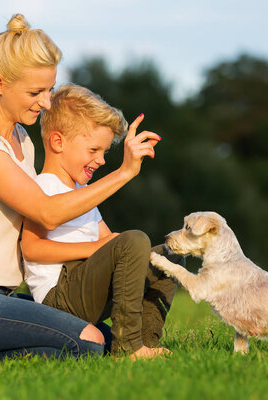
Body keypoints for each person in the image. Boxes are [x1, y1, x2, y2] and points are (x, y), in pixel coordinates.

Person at [0, 14, 161, 365]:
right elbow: (46, 211)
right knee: (88, 342)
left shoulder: (20, 140)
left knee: (106, 340)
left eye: (49, 89)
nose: (46, 102)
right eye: (35, 92)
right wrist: (123, 173)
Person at [21, 83, 178, 358]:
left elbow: (109, 241)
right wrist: (96, 249)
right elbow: (31, 249)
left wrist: (117, 248)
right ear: (58, 142)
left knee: (168, 257)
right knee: (136, 239)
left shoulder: (82, 193)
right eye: (93, 150)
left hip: (85, 288)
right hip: (58, 297)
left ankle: (146, 342)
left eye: (104, 152)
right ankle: (127, 347)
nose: (102, 160)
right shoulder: (44, 187)